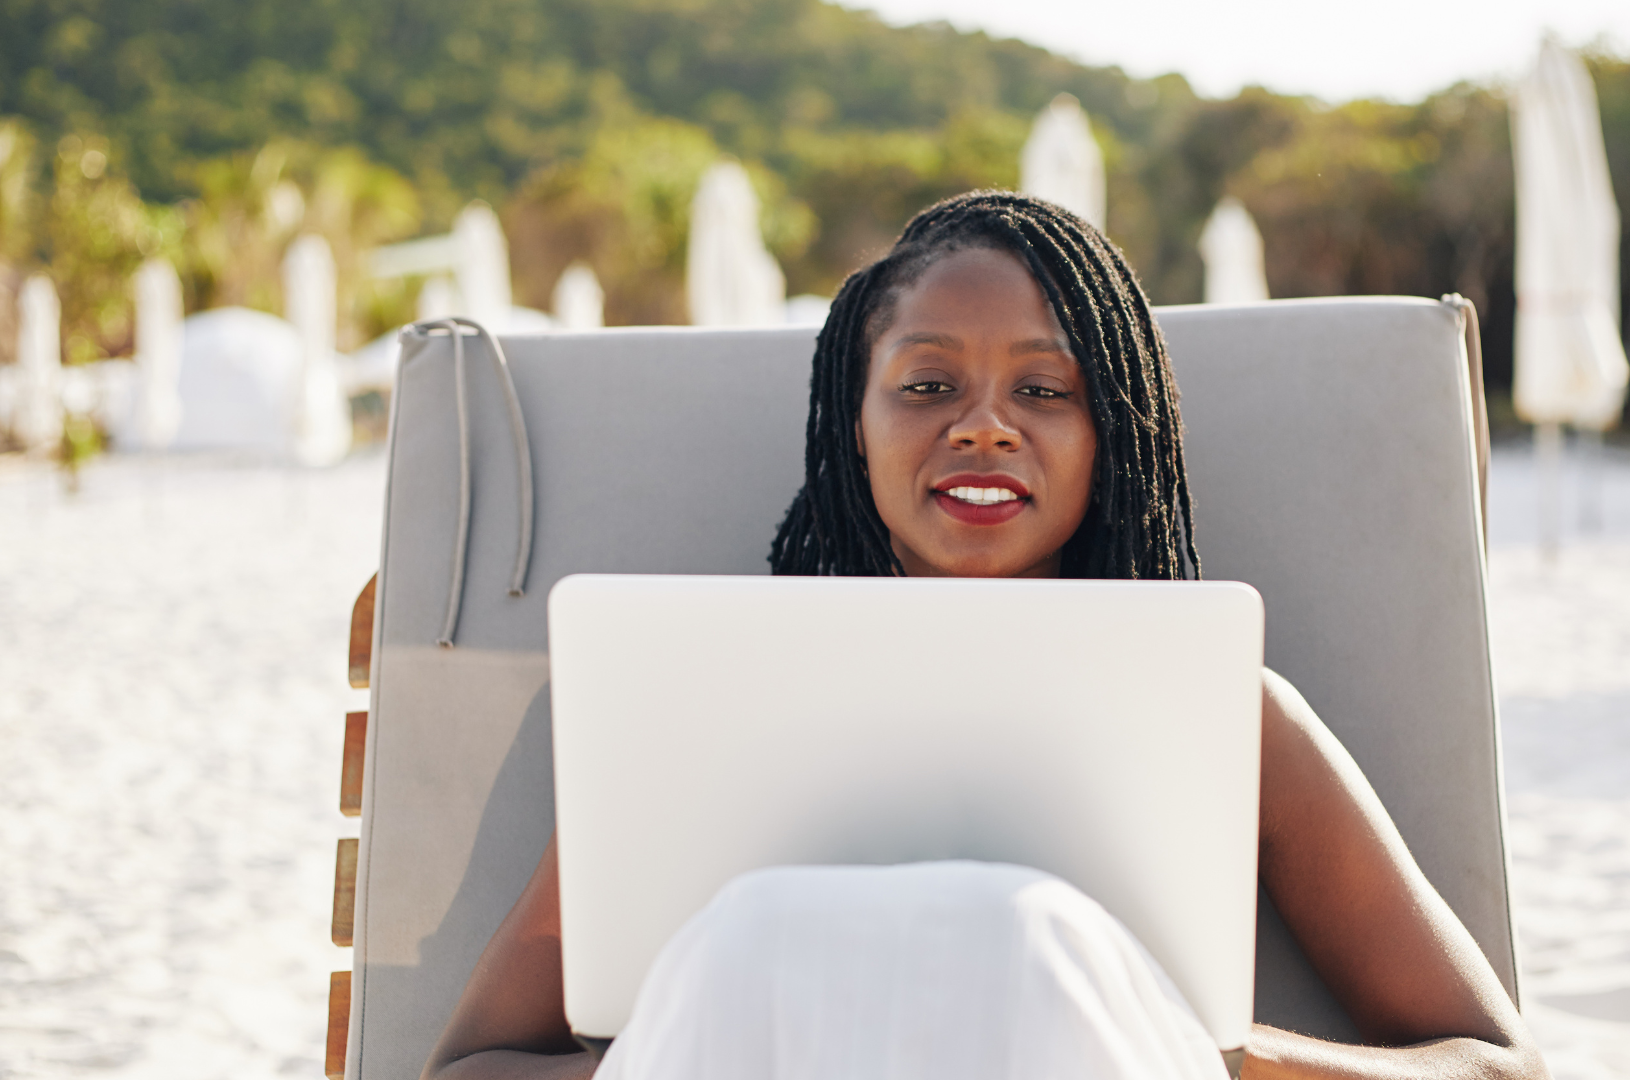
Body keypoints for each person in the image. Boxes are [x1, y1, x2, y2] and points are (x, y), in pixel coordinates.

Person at [420, 191, 1548, 1080]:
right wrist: (744, 1029)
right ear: (853, 430)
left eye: (1045, 390)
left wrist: (1176, 1039)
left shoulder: (1222, 715)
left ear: (1114, 438)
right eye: (926, 385)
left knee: (1026, 936)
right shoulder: (694, 702)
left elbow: (1495, 1067)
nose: (984, 427)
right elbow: (469, 1069)